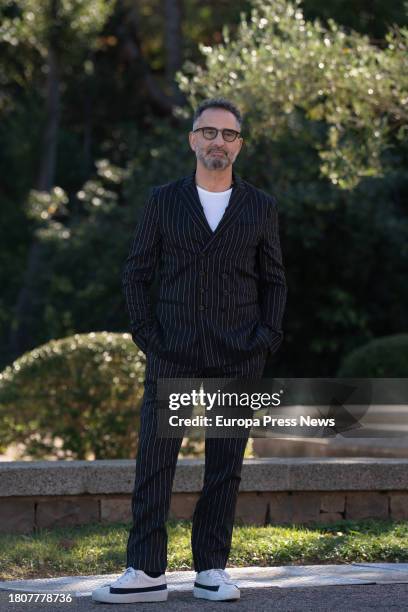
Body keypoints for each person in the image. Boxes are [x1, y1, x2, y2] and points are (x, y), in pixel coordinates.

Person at [92, 97, 287, 604]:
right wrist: (148, 336)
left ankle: (212, 570)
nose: (217, 141)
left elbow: (275, 281)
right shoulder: (163, 200)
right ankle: (145, 569)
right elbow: (136, 272)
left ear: (239, 145)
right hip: (173, 352)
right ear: (192, 139)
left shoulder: (260, 206)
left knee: (225, 465)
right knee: (154, 462)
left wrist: (265, 339)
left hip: (238, 355)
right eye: (209, 132)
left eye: (228, 134)